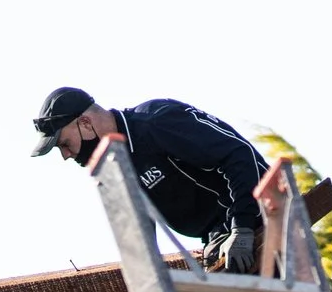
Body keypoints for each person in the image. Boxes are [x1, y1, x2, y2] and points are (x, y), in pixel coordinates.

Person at [30, 87, 269, 273]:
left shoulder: (156, 122)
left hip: (263, 213)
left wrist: (242, 228)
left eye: (64, 144)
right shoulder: (116, 166)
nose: (65, 155)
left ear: (85, 123)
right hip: (220, 236)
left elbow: (238, 154)